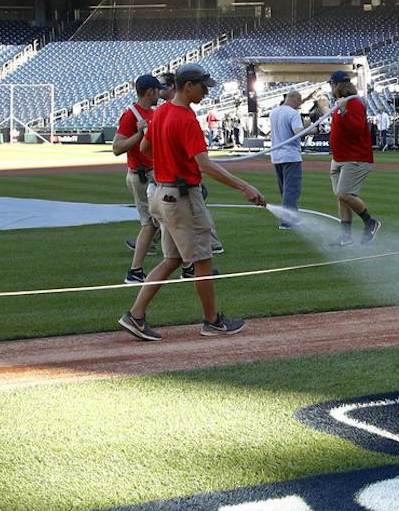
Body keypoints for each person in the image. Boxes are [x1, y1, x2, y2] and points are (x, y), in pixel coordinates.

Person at [118, 65, 266, 342]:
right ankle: (212, 322)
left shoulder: (160, 112)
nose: (207, 91)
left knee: (173, 259)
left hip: (161, 195)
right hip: (183, 197)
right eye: (202, 86)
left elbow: (145, 149)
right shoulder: (186, 119)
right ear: (188, 86)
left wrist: (168, 158)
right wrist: (245, 187)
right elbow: (205, 165)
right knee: (202, 260)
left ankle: (135, 315)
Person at [112, 74, 165, 284]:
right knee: (151, 223)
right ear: (150, 91)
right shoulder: (131, 115)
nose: (160, 94)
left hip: (152, 173)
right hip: (142, 175)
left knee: (161, 220)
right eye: (157, 91)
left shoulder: (151, 113)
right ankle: (135, 271)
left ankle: (186, 265)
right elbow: (117, 148)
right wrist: (139, 135)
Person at [328, 69, 382, 245]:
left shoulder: (354, 103)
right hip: (340, 157)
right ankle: (346, 237)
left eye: (332, 85)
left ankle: (370, 222)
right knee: (341, 196)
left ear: (337, 85)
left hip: (355, 157)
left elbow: (357, 129)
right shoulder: (340, 104)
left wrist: (343, 111)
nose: (331, 88)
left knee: (344, 193)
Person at [268, 89, 307, 228]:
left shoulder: (274, 112)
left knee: (285, 189)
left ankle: (291, 216)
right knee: (291, 190)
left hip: (276, 155)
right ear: (295, 99)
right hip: (290, 155)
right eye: (299, 101)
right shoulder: (293, 113)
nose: (300, 104)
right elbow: (298, 132)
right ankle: (288, 220)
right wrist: (313, 129)